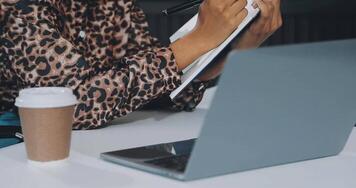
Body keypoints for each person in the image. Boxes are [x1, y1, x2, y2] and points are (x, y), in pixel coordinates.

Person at [0, 0, 282, 130]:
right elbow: (72, 105)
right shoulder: (19, 6)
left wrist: (232, 50)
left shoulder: (113, 5)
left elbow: (151, 87)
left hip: (89, 154)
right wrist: (198, 40)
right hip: (19, 155)